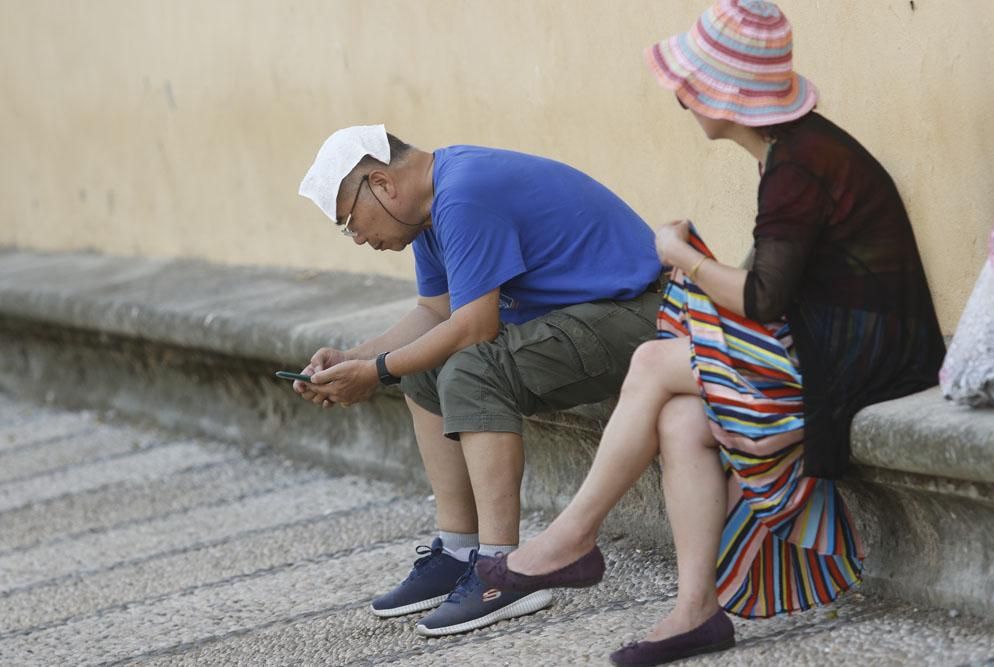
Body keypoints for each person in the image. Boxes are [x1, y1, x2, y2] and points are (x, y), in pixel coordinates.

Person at [476, 0, 946, 664]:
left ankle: (571, 537)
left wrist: (683, 255)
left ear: (724, 96)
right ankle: (697, 610)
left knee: (650, 359)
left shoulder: (798, 167)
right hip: (840, 344)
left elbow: (760, 298)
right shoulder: (795, 152)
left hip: (863, 360)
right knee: (680, 420)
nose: (679, 96)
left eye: (688, 84)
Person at [295, 125, 664, 636]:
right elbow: (436, 312)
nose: (358, 237)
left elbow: (474, 328)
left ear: (381, 182)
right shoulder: (429, 212)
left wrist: (375, 372)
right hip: (591, 316)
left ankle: (502, 572)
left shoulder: (465, 192)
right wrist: (352, 359)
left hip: (643, 313)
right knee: (423, 365)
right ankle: (459, 550)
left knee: (473, 367)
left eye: (350, 222)